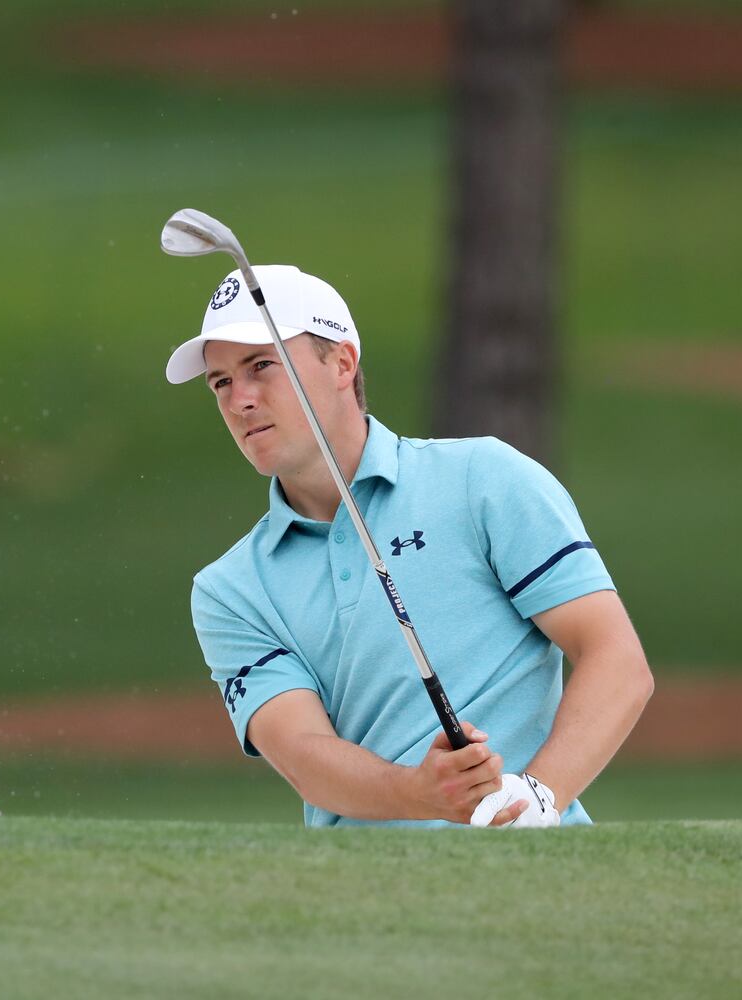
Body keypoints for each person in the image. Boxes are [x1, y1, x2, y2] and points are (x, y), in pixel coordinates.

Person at [166, 264, 654, 828]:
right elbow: (301, 752)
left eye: (261, 366)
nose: (239, 400)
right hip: (370, 902)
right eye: (221, 381)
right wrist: (421, 794)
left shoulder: (484, 479)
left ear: (342, 363)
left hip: (539, 876)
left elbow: (616, 660)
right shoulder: (230, 590)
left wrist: (537, 800)